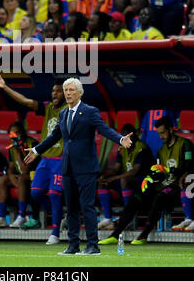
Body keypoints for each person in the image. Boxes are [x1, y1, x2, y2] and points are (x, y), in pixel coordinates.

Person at [24, 78, 133, 255]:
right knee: (71, 207)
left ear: (80, 93)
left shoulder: (90, 111)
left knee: (87, 206)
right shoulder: (63, 114)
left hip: (86, 168)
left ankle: (92, 246)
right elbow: (54, 137)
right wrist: (36, 150)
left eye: (71, 90)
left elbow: (104, 129)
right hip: (67, 167)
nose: (67, 93)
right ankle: (73, 245)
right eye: (66, 90)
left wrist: (120, 139)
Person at [0, 76, 68, 243]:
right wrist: (5, 87)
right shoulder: (47, 107)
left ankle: (55, 233)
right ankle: (60, 215)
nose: (54, 93)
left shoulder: (70, 109)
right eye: (53, 90)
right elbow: (25, 101)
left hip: (60, 158)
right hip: (45, 158)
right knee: (36, 192)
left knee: (54, 194)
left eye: (59, 91)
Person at [99, 116, 194, 245]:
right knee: (137, 196)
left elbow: (189, 165)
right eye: (159, 133)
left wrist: (169, 170)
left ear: (171, 130)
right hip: (163, 186)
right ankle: (115, 234)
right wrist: (150, 178)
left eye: (163, 132)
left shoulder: (185, 144)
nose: (161, 136)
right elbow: (158, 172)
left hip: (178, 187)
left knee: (159, 197)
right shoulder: (162, 150)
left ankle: (144, 235)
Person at [97, 124, 154, 230]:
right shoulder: (122, 149)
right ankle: (107, 218)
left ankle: (129, 219)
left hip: (143, 182)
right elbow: (116, 169)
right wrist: (104, 176)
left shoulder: (141, 148)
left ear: (134, 135)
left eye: (127, 135)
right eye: (123, 136)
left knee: (124, 180)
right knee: (102, 182)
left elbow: (134, 171)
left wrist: (113, 178)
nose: (125, 138)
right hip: (128, 181)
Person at [0, 121, 40, 228]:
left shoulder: (31, 144)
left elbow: (26, 170)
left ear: (24, 132)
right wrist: (12, 177)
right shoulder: (14, 146)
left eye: (18, 133)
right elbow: (11, 168)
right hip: (22, 179)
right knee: (3, 179)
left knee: (21, 178)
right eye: (12, 134)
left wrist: (18, 152)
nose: (15, 136)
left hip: (36, 177)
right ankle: (1, 217)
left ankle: (21, 216)